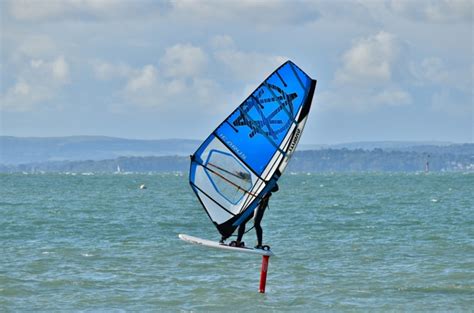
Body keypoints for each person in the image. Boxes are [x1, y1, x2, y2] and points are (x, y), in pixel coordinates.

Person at [230, 183, 279, 249]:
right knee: (243, 221)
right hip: (253, 200)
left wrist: (268, 185)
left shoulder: (270, 180)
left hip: (262, 202)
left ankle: (259, 244)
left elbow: (276, 188)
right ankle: (238, 241)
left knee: (256, 223)